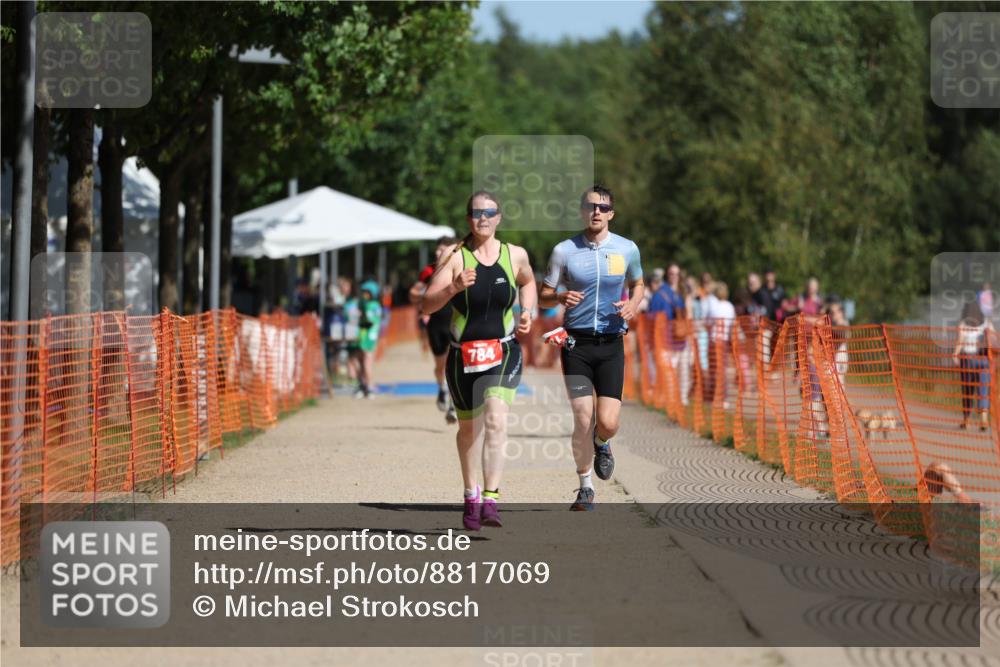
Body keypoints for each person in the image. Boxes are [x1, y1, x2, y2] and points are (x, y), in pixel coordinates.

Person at [422, 192, 535, 530]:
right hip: (462, 356)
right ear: (469, 219)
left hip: (503, 350)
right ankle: (470, 494)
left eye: (489, 213)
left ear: (499, 217)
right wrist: (453, 288)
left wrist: (526, 312)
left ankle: (491, 498)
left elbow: (528, 282)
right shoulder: (455, 258)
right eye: (476, 213)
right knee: (469, 430)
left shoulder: (514, 255)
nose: (483, 218)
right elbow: (427, 305)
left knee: (497, 420)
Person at [538, 184, 644, 512]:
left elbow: (638, 284)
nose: (596, 212)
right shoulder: (564, 250)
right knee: (583, 418)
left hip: (611, 344)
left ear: (611, 213)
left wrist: (633, 305)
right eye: (590, 206)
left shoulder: (627, 249)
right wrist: (557, 297)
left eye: (602, 207)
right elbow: (543, 296)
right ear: (582, 211)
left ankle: (603, 443)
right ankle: (585, 487)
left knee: (608, 422)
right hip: (576, 344)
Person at [410, 236, 459, 423]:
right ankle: (442, 388)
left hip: (454, 321)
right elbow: (414, 293)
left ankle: (454, 405)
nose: (439, 253)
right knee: (440, 366)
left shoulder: (459, 268)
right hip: (435, 323)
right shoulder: (429, 271)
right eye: (438, 250)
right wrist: (421, 296)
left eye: (443, 249)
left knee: (453, 364)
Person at [648, 263, 692, 405]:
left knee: (684, 370)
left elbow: (689, 315)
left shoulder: (683, 292)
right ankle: (672, 398)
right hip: (667, 338)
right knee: (669, 371)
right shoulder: (660, 293)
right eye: (672, 273)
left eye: (677, 273)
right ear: (667, 274)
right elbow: (651, 315)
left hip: (681, 337)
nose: (674, 276)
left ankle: (683, 398)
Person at [953, 300, 995, 431]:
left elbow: (960, 341)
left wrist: (955, 354)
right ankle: (983, 420)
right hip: (984, 360)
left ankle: (966, 420)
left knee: (967, 390)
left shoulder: (963, 324)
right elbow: (994, 340)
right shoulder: (987, 323)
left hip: (968, 359)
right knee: (983, 390)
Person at [351, 280, 383, 399]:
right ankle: (362, 385)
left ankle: (369, 386)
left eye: (366, 292)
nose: (363, 294)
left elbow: (371, 320)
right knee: (358, 360)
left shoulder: (373, 305)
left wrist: (362, 311)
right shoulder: (364, 304)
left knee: (367, 362)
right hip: (362, 335)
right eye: (363, 292)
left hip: (369, 337)